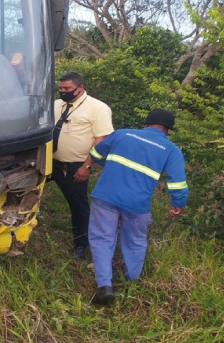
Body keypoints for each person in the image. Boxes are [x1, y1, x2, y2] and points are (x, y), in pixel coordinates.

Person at [87, 108, 188, 305]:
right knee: (135, 241)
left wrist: (110, 165)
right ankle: (131, 282)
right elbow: (178, 184)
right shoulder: (172, 151)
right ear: (168, 130)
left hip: (106, 195)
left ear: (146, 123)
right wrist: (178, 204)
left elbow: (96, 153)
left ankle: (104, 286)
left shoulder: (122, 134)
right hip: (137, 204)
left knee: (102, 238)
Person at [52, 72, 114, 260]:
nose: (63, 92)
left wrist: (86, 166)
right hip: (50, 162)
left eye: (67, 89)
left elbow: (101, 139)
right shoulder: (56, 105)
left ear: (80, 88)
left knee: (78, 205)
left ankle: (81, 243)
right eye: (61, 88)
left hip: (76, 166)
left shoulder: (98, 108)